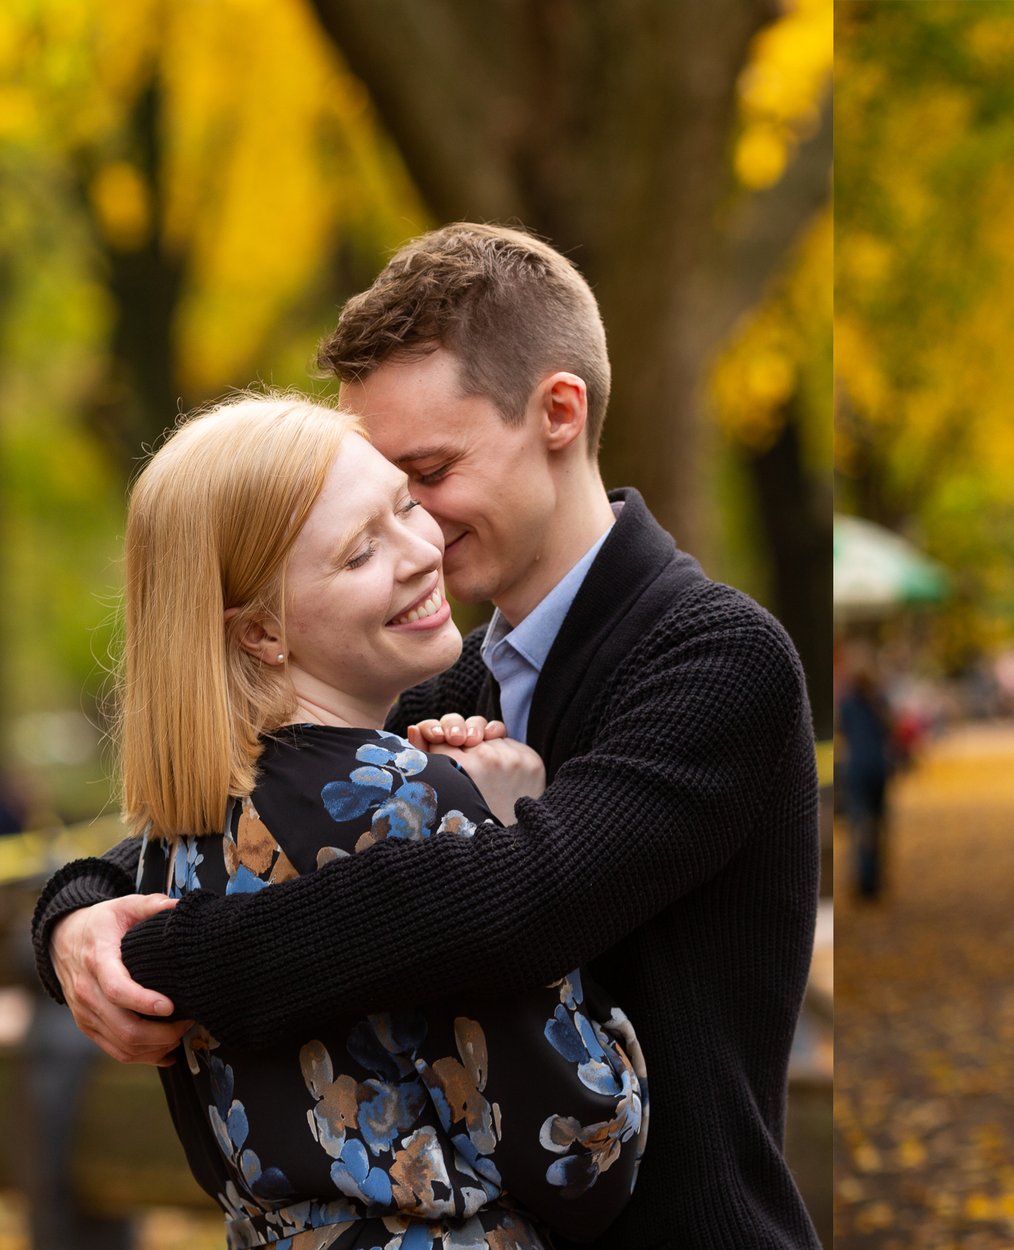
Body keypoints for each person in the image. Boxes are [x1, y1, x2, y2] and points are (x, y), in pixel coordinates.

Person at [34, 224, 823, 1249]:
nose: (417, 531)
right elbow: (229, 827)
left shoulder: (715, 659)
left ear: (558, 412)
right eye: (383, 501)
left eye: (429, 475)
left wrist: (165, 955)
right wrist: (73, 919)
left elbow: (510, 901)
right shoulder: (424, 675)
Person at [49, 394, 652, 1246]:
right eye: (362, 551)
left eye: (407, 504)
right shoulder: (406, 798)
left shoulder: (175, 831)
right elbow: (583, 1155)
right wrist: (511, 819)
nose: (422, 550)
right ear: (260, 630)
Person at [836, 650, 901, 901]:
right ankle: (870, 878)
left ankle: (868, 878)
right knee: (874, 823)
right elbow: (891, 729)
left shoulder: (850, 701)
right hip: (875, 766)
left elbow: (843, 730)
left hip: (860, 767)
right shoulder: (874, 699)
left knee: (863, 824)